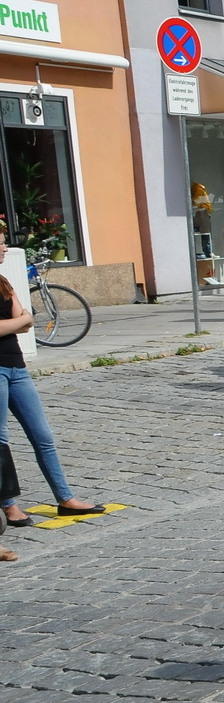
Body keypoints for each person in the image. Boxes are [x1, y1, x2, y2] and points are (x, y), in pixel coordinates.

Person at [0, 228, 105, 533]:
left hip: (16, 368)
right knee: (1, 440)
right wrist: (18, 321)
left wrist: (15, 322)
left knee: (42, 436)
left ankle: (65, 497)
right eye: (1, 244)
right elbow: (20, 320)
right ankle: (9, 505)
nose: (5, 248)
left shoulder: (3, 282)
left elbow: (27, 320)